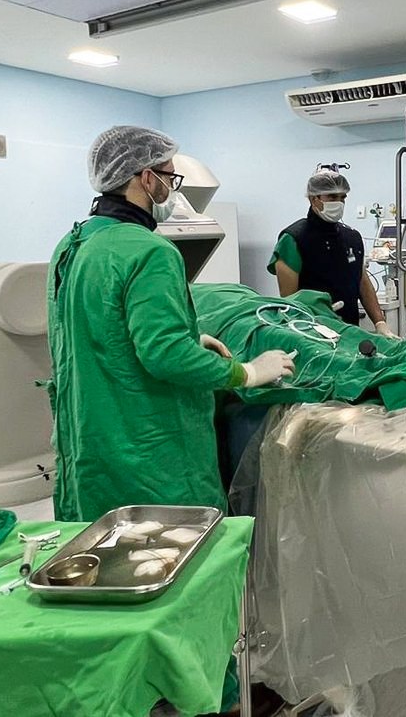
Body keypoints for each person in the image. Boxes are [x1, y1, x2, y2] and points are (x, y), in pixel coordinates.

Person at [47, 125, 296, 522]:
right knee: (169, 545)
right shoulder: (151, 251)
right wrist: (249, 372)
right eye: (170, 177)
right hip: (147, 450)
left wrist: (191, 335)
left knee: (98, 538)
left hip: (89, 435)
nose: (172, 190)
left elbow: (94, 331)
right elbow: (166, 356)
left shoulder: (74, 244)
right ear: (147, 178)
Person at [268, 168, 398, 338]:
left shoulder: (352, 237)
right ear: (314, 199)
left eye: (342, 197)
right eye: (332, 197)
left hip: (350, 330)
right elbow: (291, 301)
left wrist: (380, 323)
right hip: (313, 334)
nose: (339, 203)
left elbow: (362, 282)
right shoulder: (294, 239)